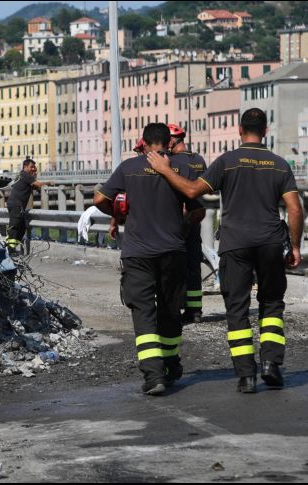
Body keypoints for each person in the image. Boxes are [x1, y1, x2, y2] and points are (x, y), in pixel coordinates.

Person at [146, 108, 304, 393]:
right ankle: (271, 365)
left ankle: (246, 377)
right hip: (269, 243)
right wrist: (294, 246)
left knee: (237, 309)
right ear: (265, 131)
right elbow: (295, 208)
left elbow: (193, 191)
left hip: (235, 245)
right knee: (272, 304)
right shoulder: (280, 165)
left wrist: (166, 170)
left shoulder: (227, 162)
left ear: (239, 130)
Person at [94, 124, 205, 396]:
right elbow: (198, 210)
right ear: (169, 142)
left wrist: (120, 216)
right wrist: (182, 227)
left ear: (143, 142)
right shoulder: (182, 168)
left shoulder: (128, 168)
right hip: (172, 251)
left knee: (143, 312)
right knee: (170, 310)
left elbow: (99, 199)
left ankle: (154, 376)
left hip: (138, 253)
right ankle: (170, 363)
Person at [167, 124, 208, 323]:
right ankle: (195, 310)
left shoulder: (171, 162)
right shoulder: (198, 160)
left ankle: (176, 307)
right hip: (196, 217)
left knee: (175, 266)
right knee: (194, 265)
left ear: (174, 140)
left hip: (176, 219)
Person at [6, 158, 53, 252]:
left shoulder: (21, 175)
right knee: (14, 226)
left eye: (34, 168)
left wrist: (35, 180)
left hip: (15, 204)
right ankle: (10, 249)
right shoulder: (25, 175)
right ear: (25, 167)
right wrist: (49, 183)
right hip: (16, 205)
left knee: (23, 226)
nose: (33, 169)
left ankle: (13, 246)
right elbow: (38, 184)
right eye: (31, 167)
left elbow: (33, 186)